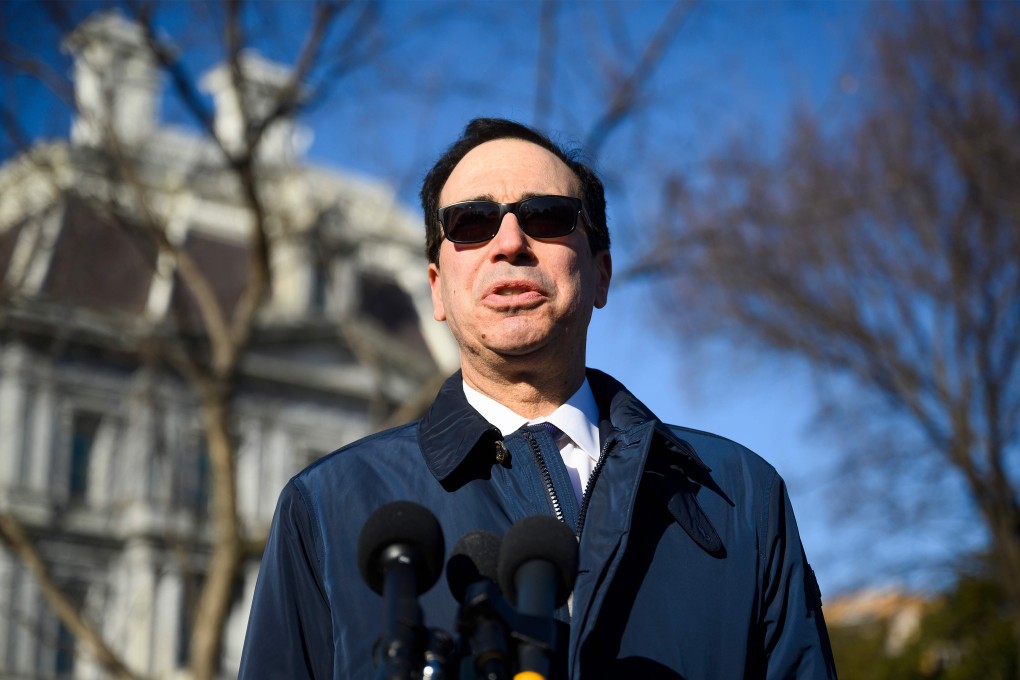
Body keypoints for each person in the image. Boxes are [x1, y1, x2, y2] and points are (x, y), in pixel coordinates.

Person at [238, 118, 837, 679]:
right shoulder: (323, 509)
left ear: (600, 274)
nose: (509, 241)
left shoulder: (741, 499)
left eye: (548, 216)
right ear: (436, 289)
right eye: (471, 223)